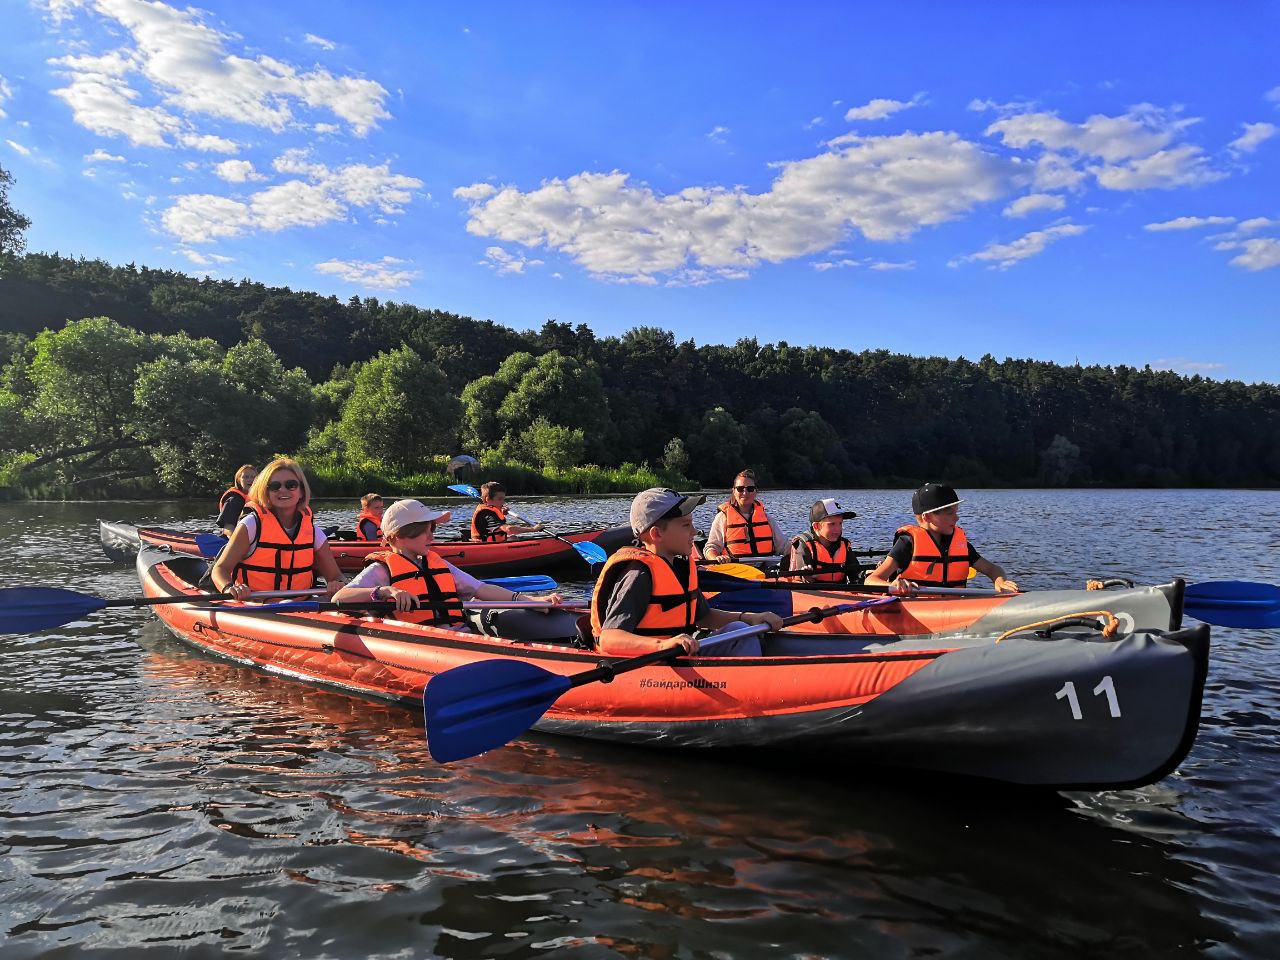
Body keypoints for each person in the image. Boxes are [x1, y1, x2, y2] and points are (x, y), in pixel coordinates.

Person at [589, 488, 783, 657]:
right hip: (651, 663)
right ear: (657, 534)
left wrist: (750, 617)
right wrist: (663, 645)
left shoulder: (680, 566)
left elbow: (703, 616)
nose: (695, 531)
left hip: (681, 653)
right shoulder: (638, 575)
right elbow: (609, 638)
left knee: (740, 630)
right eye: (685, 525)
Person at [334, 499, 562, 629]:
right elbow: (339, 599)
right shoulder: (381, 570)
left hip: (458, 635)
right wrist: (385, 591)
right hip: (421, 642)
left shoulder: (436, 562)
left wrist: (529, 600)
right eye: (423, 532)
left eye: (431, 529)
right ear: (396, 537)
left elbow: (481, 589)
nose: (431, 537)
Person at [210, 457, 346, 600]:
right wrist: (228, 588)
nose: (282, 490)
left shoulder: (313, 532)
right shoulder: (251, 525)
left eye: (291, 485)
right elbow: (220, 569)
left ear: (301, 492)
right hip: (257, 605)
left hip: (302, 606)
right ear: (266, 492)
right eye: (274, 486)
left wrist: (338, 584)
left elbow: (336, 576)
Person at [863, 482, 1019, 595]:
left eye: (956, 512)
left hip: (953, 609)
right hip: (915, 609)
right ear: (928, 516)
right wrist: (893, 584)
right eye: (950, 513)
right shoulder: (907, 543)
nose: (956, 518)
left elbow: (993, 569)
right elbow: (872, 580)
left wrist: (999, 581)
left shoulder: (960, 544)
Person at [702, 469, 784, 561]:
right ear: (734, 491)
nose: (745, 493)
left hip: (766, 569)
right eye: (740, 489)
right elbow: (710, 548)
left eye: (750, 489)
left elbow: (784, 547)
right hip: (736, 569)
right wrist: (717, 557)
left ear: (755, 492)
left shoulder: (768, 519)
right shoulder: (722, 517)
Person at [783, 498, 862, 584]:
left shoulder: (845, 544)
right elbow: (802, 576)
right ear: (816, 526)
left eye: (840, 523)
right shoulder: (803, 544)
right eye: (832, 524)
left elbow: (855, 573)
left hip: (840, 591)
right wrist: (807, 575)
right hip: (811, 591)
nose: (838, 529)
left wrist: (868, 573)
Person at [470, 481, 544, 542]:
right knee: (513, 538)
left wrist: (502, 513)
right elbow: (508, 529)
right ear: (487, 499)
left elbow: (492, 525)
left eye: (503, 499)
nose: (503, 502)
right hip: (487, 546)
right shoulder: (488, 513)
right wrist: (533, 529)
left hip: (488, 542)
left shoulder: (488, 511)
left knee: (513, 538)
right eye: (499, 499)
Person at [215, 464, 257, 537]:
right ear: (239, 480)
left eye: (253, 477)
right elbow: (228, 529)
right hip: (235, 540)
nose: (250, 480)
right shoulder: (234, 500)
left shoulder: (260, 499)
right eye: (246, 477)